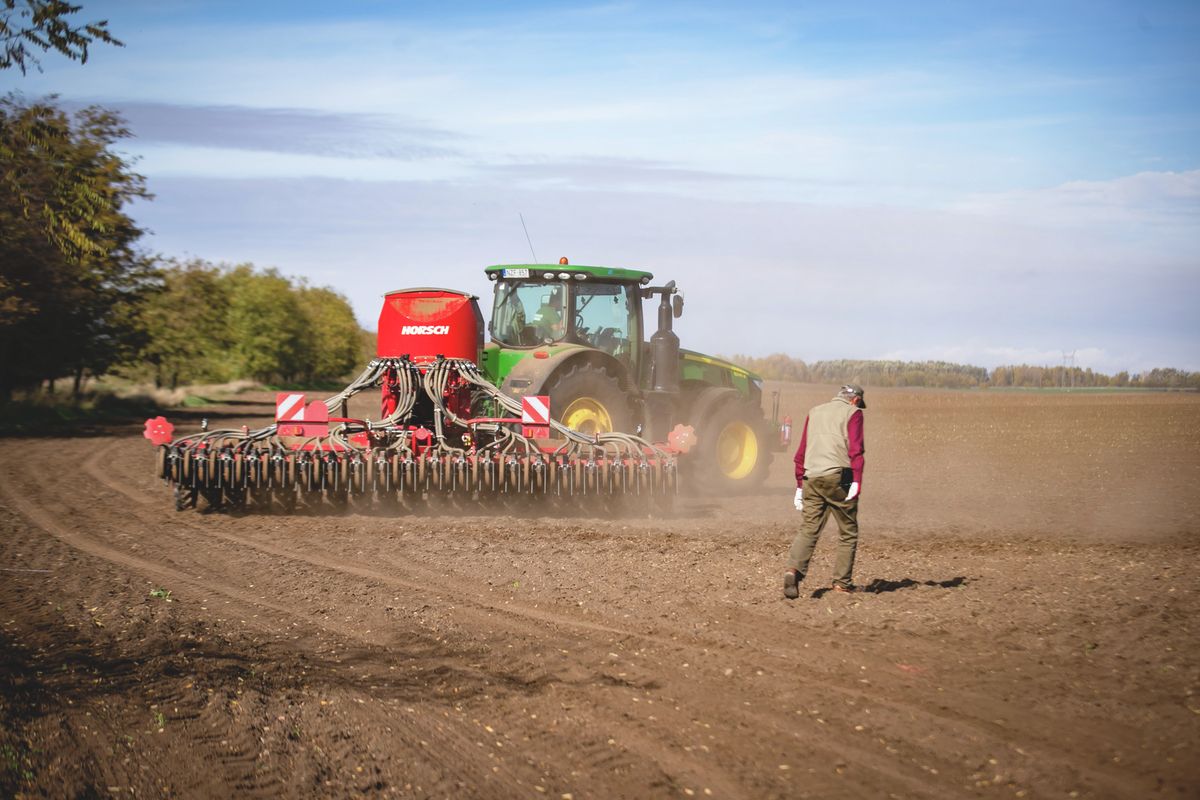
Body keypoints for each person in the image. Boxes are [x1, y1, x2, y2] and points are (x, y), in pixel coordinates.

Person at [784, 383, 866, 598]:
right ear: (855, 400)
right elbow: (856, 450)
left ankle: (792, 570)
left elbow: (801, 452)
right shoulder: (854, 413)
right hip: (840, 476)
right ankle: (841, 583)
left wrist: (800, 486)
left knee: (809, 528)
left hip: (811, 476)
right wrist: (856, 481)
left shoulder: (815, 412)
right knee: (848, 531)